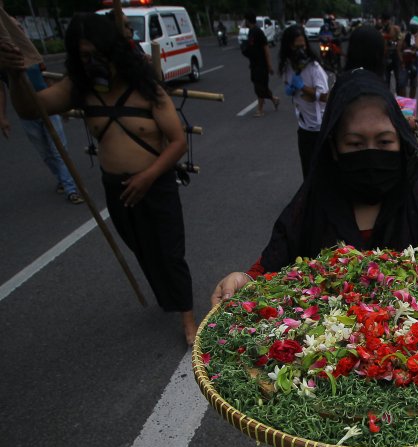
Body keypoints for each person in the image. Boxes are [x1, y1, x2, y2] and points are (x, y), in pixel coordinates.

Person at [211, 69, 418, 447]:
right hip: (337, 371)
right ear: (333, 146)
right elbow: (270, 268)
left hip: (410, 368)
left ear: (401, 141)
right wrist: (242, 279)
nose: (371, 153)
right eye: (355, 144)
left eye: (384, 142)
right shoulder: (316, 199)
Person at [0, 13, 197, 344]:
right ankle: (168, 296)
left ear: (114, 50)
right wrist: (16, 74)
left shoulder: (147, 88)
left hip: (156, 184)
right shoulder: (81, 88)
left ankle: (188, 317)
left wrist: (148, 176)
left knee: (169, 251)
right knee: (143, 248)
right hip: (116, 189)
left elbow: (177, 141)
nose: (92, 62)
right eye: (84, 56)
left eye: (97, 54)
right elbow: (32, 109)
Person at [1, 64, 84, 204]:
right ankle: (62, 179)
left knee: (59, 151)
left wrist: (62, 106)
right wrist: (2, 117)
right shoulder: (4, 64)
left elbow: (47, 79)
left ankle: (71, 190)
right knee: (46, 154)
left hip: (48, 108)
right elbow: (1, 91)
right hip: (27, 114)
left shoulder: (32, 57)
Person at [279, 25, 329, 178]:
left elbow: (325, 96)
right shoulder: (288, 67)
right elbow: (288, 85)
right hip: (304, 128)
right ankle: (309, 199)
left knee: (323, 171)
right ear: (288, 47)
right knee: (308, 171)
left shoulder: (314, 68)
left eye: (303, 45)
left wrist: (302, 87)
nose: (301, 50)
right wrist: (291, 88)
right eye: (297, 46)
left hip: (321, 129)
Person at [241, 11, 279, 117]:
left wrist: (269, 65)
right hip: (254, 64)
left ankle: (260, 109)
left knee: (259, 87)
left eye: (245, 20)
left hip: (261, 65)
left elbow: (266, 48)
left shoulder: (257, 32)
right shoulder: (251, 32)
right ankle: (274, 100)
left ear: (248, 20)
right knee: (261, 87)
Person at [399, 16, 418, 99]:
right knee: (402, 84)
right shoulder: (404, 37)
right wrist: (402, 61)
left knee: (413, 85)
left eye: (415, 26)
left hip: (415, 64)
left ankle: (410, 102)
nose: (413, 28)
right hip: (405, 63)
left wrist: (416, 53)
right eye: (412, 26)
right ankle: (404, 102)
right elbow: (398, 49)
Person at [377, 13, 403, 95]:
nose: (383, 22)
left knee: (399, 79)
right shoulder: (381, 31)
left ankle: (400, 98)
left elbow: (400, 40)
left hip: (395, 55)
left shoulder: (396, 29)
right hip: (386, 56)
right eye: (383, 21)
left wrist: (397, 45)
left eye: (384, 21)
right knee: (385, 80)